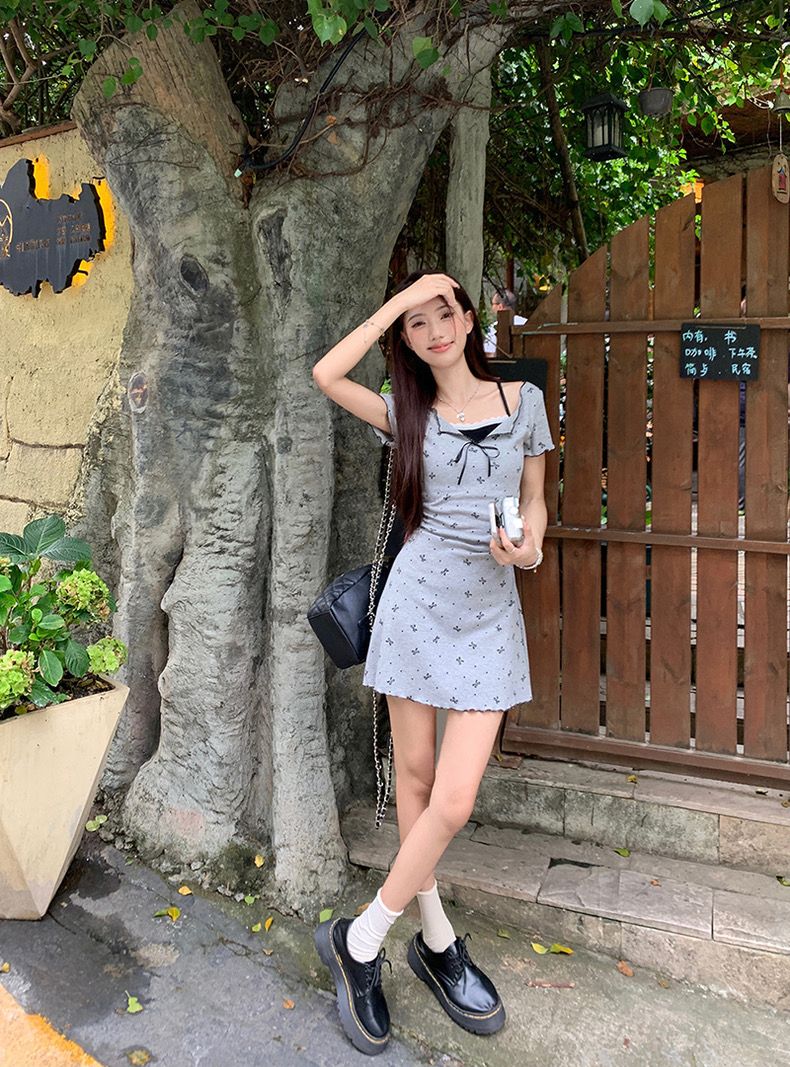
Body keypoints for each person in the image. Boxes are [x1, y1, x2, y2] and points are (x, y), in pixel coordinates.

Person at [310, 271, 554, 1056]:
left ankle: (361, 939)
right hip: (415, 606)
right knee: (414, 780)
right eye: (417, 324)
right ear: (407, 340)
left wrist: (529, 546)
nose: (433, 330)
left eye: (443, 312)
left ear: (468, 318)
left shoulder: (524, 401)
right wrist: (399, 300)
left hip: (489, 616)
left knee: (452, 799)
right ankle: (438, 939)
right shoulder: (404, 412)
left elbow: (536, 497)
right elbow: (325, 374)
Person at [483, 286, 527, 357]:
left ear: (500, 306)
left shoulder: (493, 328)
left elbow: (489, 353)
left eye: (493, 304)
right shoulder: (526, 323)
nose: (492, 308)